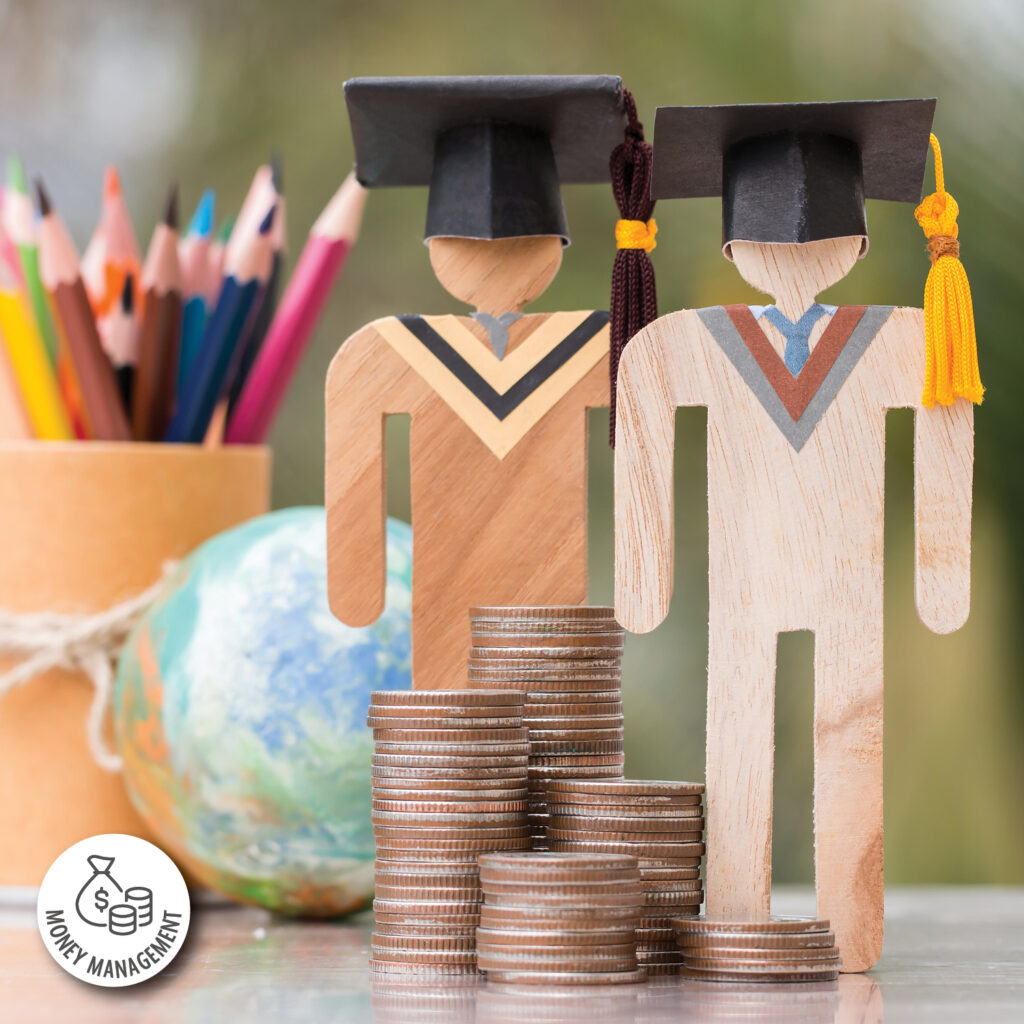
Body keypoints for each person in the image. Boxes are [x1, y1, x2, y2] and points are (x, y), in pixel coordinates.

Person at [613, 99, 980, 972]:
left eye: (823, 234)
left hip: (848, 578)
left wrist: (942, 571)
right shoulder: (689, 343)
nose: (795, 247)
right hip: (742, 580)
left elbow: (946, 426)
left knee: (851, 730)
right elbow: (643, 404)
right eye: (765, 235)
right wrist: (644, 570)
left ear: (856, 246)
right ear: (735, 249)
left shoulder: (901, 339)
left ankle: (850, 924)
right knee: (738, 728)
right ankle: (737, 918)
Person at [327, 76, 626, 689]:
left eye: (520, 238)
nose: (493, 246)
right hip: (444, 597)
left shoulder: (604, 348)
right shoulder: (385, 353)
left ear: (554, 248)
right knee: (452, 723)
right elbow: (355, 457)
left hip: (554, 606)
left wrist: (643, 571)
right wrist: (357, 584)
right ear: (436, 248)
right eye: (466, 237)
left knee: (551, 740)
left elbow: (648, 454)